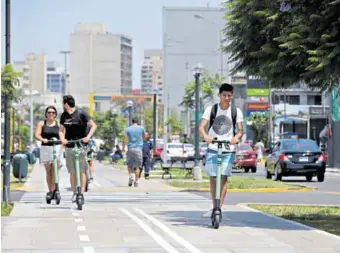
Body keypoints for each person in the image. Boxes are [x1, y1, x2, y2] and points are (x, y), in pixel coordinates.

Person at [199, 83, 244, 218]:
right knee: (213, 178)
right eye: (224, 95)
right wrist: (206, 137)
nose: (227, 98)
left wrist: (236, 138)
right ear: (219, 95)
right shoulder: (211, 109)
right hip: (213, 148)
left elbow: (241, 130)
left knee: (223, 177)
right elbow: (202, 127)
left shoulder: (236, 112)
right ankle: (214, 206)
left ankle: (219, 208)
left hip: (228, 149)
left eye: (229, 95)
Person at [59, 95, 97, 202]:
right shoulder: (64, 115)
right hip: (70, 144)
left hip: (81, 144)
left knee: (82, 170)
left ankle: (81, 193)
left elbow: (93, 125)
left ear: (66, 104)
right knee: (72, 171)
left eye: (63, 103)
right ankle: (75, 192)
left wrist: (87, 137)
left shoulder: (81, 113)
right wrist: (63, 139)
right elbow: (61, 130)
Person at [35, 105, 63, 201]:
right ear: (46, 114)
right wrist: (43, 139)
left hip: (57, 148)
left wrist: (63, 142)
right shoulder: (42, 123)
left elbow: (63, 135)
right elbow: (37, 135)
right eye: (49, 112)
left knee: (55, 170)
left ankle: (55, 189)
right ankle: (50, 191)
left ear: (55, 114)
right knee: (49, 171)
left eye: (53, 112)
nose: (51, 114)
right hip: (46, 148)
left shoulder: (59, 124)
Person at [122, 118, 145, 187]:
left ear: (132, 122)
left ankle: (131, 175)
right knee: (138, 166)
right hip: (138, 149)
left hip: (130, 148)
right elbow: (144, 136)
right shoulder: (141, 128)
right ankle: (136, 181)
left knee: (129, 164)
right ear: (138, 122)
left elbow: (125, 140)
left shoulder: (128, 129)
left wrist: (123, 148)